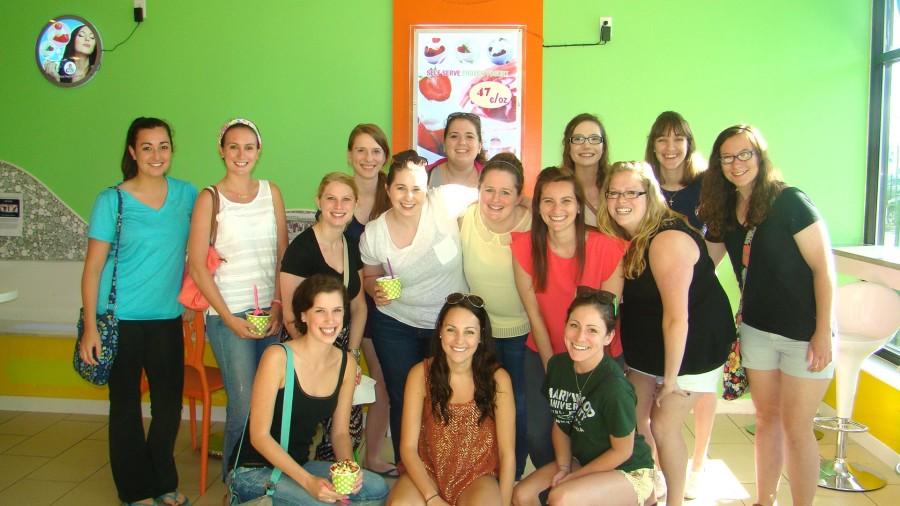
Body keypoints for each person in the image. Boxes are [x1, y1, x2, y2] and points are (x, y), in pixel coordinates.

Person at [698, 125, 835, 506]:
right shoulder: (725, 211)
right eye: (728, 157)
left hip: (805, 336)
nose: (737, 163)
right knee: (766, 420)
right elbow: (701, 265)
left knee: (797, 428)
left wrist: (823, 332)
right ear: (718, 164)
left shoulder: (790, 201)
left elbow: (825, 269)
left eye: (745, 154)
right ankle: (764, 500)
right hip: (757, 332)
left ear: (760, 156)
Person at [597, 161, 733, 506]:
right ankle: (649, 489)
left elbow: (677, 318)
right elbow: (608, 298)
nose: (620, 200)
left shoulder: (667, 239)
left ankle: (674, 500)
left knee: (663, 424)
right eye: (614, 192)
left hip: (693, 344)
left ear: (651, 195)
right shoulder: (630, 236)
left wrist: (670, 381)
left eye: (631, 192)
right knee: (631, 416)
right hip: (650, 342)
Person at [80, 117, 196, 506]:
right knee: (126, 406)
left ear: (171, 151)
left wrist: (192, 299)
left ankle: (163, 482)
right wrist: (91, 329)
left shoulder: (186, 195)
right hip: (119, 320)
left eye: (163, 146)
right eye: (147, 147)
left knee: (168, 407)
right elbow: (93, 268)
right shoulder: (111, 200)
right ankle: (134, 489)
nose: (156, 155)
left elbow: (196, 252)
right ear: (132, 152)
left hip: (166, 319)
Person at [229, 274, 389, 505]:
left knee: (375, 489)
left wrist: (349, 470)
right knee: (322, 502)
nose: (330, 320)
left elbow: (341, 433)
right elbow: (259, 437)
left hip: (298, 463)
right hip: (254, 471)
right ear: (303, 315)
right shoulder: (278, 357)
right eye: (320, 311)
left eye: (337, 310)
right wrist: (309, 483)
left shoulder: (346, 364)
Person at [187, 118, 288, 480]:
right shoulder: (209, 198)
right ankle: (235, 482)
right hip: (228, 315)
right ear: (221, 150)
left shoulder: (271, 192)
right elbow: (198, 266)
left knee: (270, 404)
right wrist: (229, 318)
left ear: (258, 152)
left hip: (268, 313)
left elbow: (282, 253)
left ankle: (264, 481)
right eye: (233, 147)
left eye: (248, 147)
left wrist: (278, 304)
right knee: (244, 406)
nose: (241, 154)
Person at [360, 150, 477, 460]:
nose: (409, 197)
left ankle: (449, 467)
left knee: (448, 398)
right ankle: (408, 470)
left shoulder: (443, 202)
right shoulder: (374, 233)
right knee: (404, 399)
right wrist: (375, 290)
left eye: (416, 189)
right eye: (401, 188)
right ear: (388, 189)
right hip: (395, 325)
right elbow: (370, 275)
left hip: (447, 327)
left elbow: (496, 196)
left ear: (427, 188)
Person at [511, 167, 626, 470]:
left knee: (594, 436)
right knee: (537, 432)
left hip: (598, 356)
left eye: (566, 201)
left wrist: (583, 369)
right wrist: (553, 367)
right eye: (548, 201)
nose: (557, 209)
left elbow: (606, 317)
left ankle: (586, 491)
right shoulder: (524, 247)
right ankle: (555, 488)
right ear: (538, 207)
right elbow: (534, 314)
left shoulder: (606, 247)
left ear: (578, 206)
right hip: (544, 351)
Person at [512, 289, 655, 506]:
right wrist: (563, 467)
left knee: (561, 498)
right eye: (574, 325)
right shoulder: (558, 366)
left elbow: (622, 451)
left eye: (592, 330)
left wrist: (573, 478)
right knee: (522, 495)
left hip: (627, 469)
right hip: (585, 461)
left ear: (609, 337)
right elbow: (561, 423)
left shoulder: (615, 387)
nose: (580, 337)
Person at [387, 293, 515, 506]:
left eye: (469, 332)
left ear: (481, 336)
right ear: (439, 332)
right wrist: (431, 497)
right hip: (428, 471)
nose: (459, 340)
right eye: (451, 330)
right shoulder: (420, 374)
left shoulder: (498, 379)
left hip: (477, 476)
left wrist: (504, 501)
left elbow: (507, 453)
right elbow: (408, 449)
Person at [643, 110, 713, 499]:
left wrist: (692, 284)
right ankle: (653, 478)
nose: (670, 148)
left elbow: (715, 245)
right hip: (652, 309)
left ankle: (694, 472)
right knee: (652, 409)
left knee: (685, 401)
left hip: (692, 307)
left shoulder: (706, 189)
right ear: (652, 146)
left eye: (677, 139)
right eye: (662, 140)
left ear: (688, 143)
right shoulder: (644, 186)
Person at [280, 173, 367, 462]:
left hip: (341, 348)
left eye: (346, 199)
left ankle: (333, 483)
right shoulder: (301, 250)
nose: (338, 205)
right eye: (331, 198)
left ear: (355, 204)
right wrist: (314, 358)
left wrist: (351, 356)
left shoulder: (351, 247)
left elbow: (359, 306)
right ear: (319, 201)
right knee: (298, 428)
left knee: (347, 429)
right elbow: (291, 315)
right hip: (305, 347)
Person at [458, 152, 531, 479]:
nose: (496, 199)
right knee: (481, 402)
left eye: (506, 192)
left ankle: (512, 473)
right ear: (479, 189)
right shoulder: (466, 218)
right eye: (489, 190)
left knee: (516, 404)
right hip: (479, 334)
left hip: (521, 332)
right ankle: (484, 469)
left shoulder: (533, 223)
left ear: (519, 196)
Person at [345, 124, 396, 476]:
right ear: (349, 155)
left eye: (376, 151)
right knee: (341, 379)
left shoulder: (393, 194)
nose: (368, 158)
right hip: (341, 304)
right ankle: (337, 454)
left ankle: (373, 455)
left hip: (381, 304)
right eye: (361, 150)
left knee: (380, 379)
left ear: (385, 157)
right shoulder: (339, 193)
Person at [560, 113, 610, 228]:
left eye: (594, 138)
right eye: (578, 139)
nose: (586, 145)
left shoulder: (617, 184)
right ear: (568, 147)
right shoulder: (557, 185)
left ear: (603, 147)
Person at [427, 112, 487, 188]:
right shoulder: (423, 176)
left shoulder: (493, 179)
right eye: (454, 136)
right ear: (444, 144)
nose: (462, 142)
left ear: (479, 146)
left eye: (469, 136)